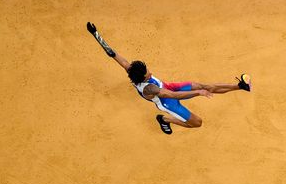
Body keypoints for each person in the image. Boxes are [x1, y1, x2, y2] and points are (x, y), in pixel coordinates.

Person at [87, 22, 251, 134]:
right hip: (168, 102)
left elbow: (113, 54)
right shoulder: (150, 89)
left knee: (205, 85)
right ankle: (164, 119)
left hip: (170, 86)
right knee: (197, 123)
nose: (150, 73)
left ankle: (240, 86)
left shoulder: (132, 69)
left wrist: (96, 34)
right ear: (143, 80)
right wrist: (198, 93)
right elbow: (174, 96)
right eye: (147, 74)